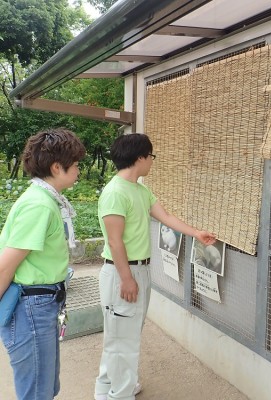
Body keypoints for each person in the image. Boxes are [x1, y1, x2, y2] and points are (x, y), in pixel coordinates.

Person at [94, 133, 216, 400]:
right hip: (121, 271)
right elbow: (115, 242)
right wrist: (126, 279)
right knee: (123, 339)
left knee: (122, 333)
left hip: (137, 270)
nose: (152, 161)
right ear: (140, 157)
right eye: (151, 156)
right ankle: (120, 394)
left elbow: (167, 217)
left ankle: (108, 388)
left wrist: (196, 233)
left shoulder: (140, 189)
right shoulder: (114, 193)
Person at [0, 128, 86, 399]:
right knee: (38, 390)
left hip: (41, 303)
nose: (79, 170)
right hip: (32, 307)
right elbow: (5, 265)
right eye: (76, 165)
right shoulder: (39, 204)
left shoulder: (45, 199)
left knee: (45, 387)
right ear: (57, 167)